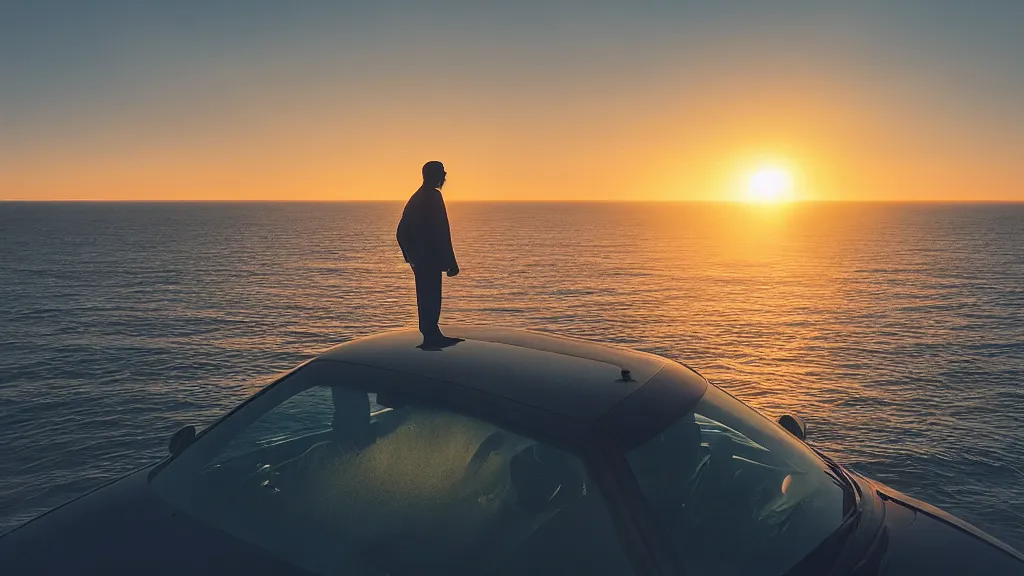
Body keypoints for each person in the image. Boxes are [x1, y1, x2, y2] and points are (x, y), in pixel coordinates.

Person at [396, 161, 463, 348]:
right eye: (442, 172)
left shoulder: (418, 197)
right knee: (430, 296)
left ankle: (431, 333)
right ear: (433, 174)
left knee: (428, 296)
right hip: (428, 261)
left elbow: (402, 232)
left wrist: (412, 257)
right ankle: (431, 335)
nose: (445, 175)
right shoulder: (431, 197)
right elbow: (442, 232)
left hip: (423, 260)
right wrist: (451, 262)